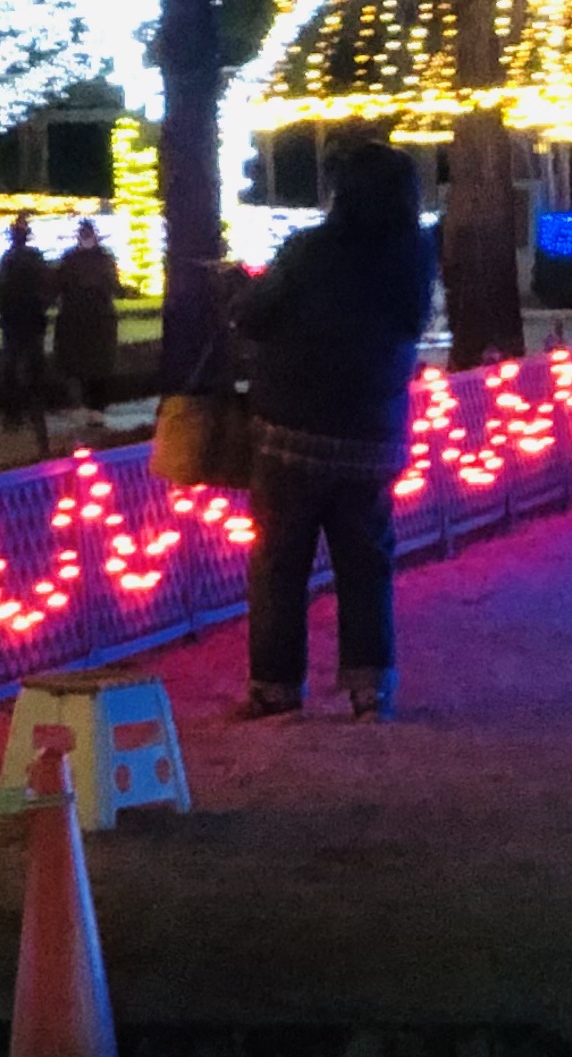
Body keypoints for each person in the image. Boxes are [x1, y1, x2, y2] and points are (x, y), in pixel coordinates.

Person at [238, 143, 435, 719]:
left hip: (292, 432)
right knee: (366, 561)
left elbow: (255, 315)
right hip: (373, 435)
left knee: (280, 564)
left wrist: (241, 290)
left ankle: (275, 686)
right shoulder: (413, 255)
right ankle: (370, 686)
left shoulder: (311, 250)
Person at [0, 218, 58, 430]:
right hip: (30, 317)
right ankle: (34, 409)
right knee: (33, 366)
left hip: (15, 319)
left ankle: (14, 414)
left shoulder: (8, 259)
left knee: (13, 366)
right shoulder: (33, 258)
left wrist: (3, 310)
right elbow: (47, 286)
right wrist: (42, 307)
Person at [55, 221, 126, 414]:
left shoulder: (71, 260)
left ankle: (86, 406)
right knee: (95, 369)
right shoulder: (103, 259)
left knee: (82, 369)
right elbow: (114, 285)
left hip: (82, 320)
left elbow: (58, 286)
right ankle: (95, 408)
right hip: (95, 321)